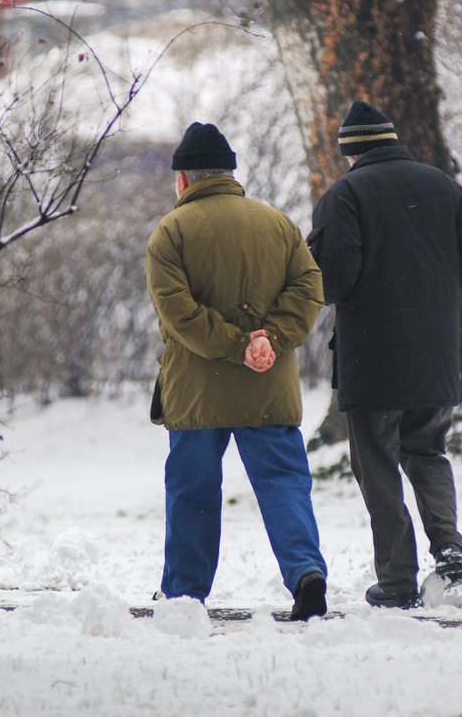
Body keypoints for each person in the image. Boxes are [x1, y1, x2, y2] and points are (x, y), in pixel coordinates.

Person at [307, 101, 462, 608]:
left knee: (377, 465)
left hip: (372, 355)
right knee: (428, 451)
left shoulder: (344, 196)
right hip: (435, 350)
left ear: (351, 151)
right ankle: (450, 551)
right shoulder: (442, 186)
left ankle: (396, 580)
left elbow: (335, 279)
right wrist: (430, 293)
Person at [145, 122, 328, 621]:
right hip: (268, 387)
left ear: (183, 179)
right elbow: (309, 290)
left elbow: (177, 313)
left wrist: (232, 346)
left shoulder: (171, 232)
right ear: (229, 173)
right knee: (283, 482)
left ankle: (184, 595)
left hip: (197, 392)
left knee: (193, 493)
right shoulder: (278, 224)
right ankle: (307, 574)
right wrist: (267, 339)